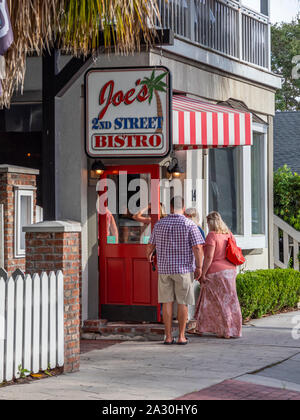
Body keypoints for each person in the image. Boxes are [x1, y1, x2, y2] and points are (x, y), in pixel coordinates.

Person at [147, 196, 205, 345]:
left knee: (166, 302)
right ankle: (181, 336)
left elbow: (150, 245)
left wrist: (148, 256)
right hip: (184, 269)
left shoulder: (159, 224)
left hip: (165, 269)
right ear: (183, 207)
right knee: (183, 302)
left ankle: (167, 337)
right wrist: (199, 267)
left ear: (171, 207)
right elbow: (198, 247)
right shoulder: (189, 224)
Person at [194, 211, 242, 339]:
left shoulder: (212, 236)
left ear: (210, 222)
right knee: (230, 300)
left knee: (215, 301)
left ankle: (221, 329)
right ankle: (234, 330)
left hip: (216, 272)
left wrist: (202, 274)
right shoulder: (229, 234)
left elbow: (209, 257)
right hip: (230, 271)